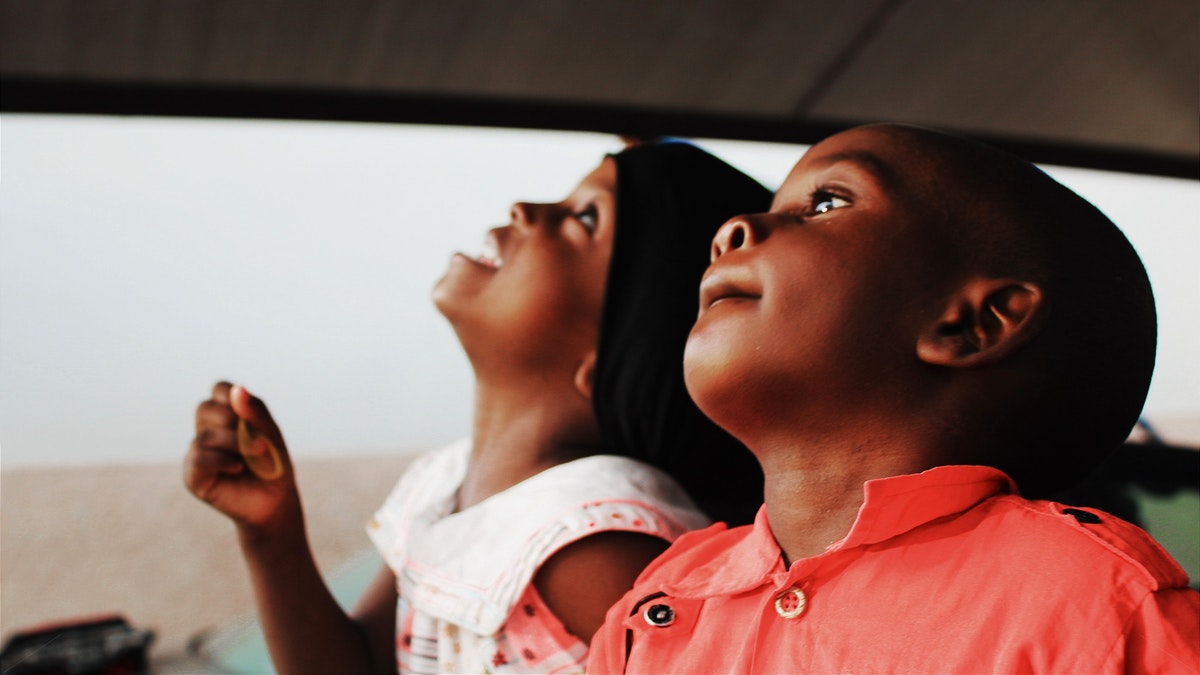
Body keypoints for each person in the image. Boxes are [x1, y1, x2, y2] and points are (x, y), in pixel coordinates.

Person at [588, 124, 1200, 674]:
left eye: (826, 203)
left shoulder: (1095, 605)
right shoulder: (665, 595)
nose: (732, 231)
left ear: (970, 324)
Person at [185, 141, 768, 675]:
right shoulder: (445, 482)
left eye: (585, 219)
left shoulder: (596, 549)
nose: (524, 208)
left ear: (617, 354)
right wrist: (271, 534)